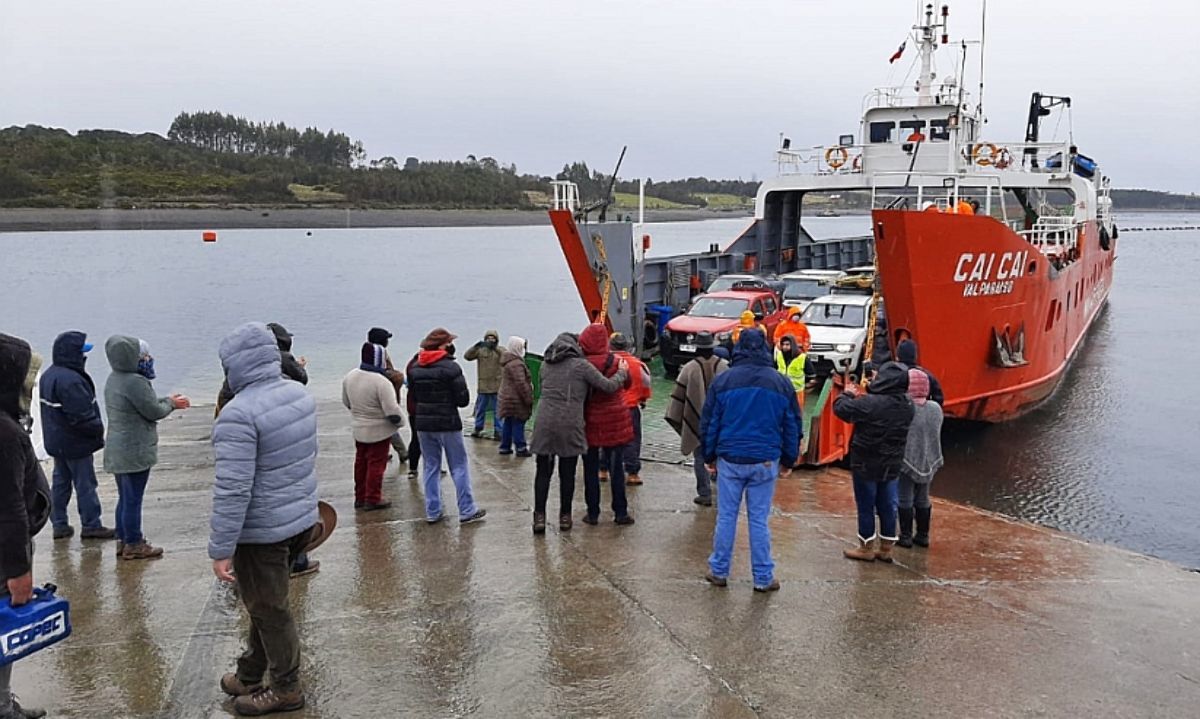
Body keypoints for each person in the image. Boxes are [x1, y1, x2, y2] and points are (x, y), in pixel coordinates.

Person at [209, 322, 319, 717]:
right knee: (263, 603)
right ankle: (249, 673)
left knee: (270, 609)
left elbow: (233, 490)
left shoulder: (238, 415)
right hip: (298, 520)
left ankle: (286, 688)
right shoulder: (298, 394)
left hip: (262, 533)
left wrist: (221, 549)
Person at [700, 328, 801, 593]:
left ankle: (719, 570)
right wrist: (789, 460)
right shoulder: (781, 383)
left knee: (727, 517)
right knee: (758, 519)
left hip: (730, 459)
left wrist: (709, 455)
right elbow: (792, 424)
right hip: (765, 459)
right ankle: (763, 577)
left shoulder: (724, 381)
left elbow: (710, 422)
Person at [529, 332, 627, 534]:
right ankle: (565, 516)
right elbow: (607, 387)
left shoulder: (545, 365)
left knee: (543, 472)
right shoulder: (581, 366)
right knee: (567, 473)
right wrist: (622, 373)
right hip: (569, 424)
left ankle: (539, 516)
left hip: (544, 423)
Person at [0, 333, 51, 719]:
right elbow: (9, 509)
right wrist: (19, 572)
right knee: (3, 632)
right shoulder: (5, 434)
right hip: (5, 555)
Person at [103, 337, 189, 560]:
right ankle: (134, 543)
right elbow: (153, 410)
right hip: (134, 450)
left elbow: (143, 402)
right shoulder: (135, 382)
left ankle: (123, 539)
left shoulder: (115, 378)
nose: (148, 360)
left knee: (125, 496)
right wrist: (172, 404)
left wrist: (165, 399)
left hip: (117, 449)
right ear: (132, 358)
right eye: (144, 357)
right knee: (133, 498)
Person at [832, 361, 915, 563]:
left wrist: (847, 393)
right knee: (888, 504)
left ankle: (866, 546)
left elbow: (841, 409)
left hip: (866, 461)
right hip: (892, 462)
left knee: (866, 505)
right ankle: (886, 547)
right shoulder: (907, 405)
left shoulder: (871, 404)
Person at [39, 331, 113, 541]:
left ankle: (59, 524)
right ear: (73, 354)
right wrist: (98, 429)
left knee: (60, 483)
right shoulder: (70, 381)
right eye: (81, 351)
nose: (84, 356)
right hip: (75, 444)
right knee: (85, 484)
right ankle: (91, 525)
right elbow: (82, 417)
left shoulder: (48, 375)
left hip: (56, 442)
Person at [408, 328, 486, 525]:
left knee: (430, 466)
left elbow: (413, 397)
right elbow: (463, 400)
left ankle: (432, 510)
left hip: (424, 424)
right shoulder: (451, 368)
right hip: (448, 422)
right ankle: (467, 509)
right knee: (458, 465)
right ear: (443, 346)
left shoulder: (415, 368)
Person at [579, 323, 636, 526]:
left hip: (591, 420)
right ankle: (620, 512)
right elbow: (628, 384)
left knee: (590, 468)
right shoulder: (616, 361)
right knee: (617, 468)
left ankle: (592, 513)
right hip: (616, 419)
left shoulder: (582, 363)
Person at [664, 331, 728, 506]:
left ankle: (705, 494)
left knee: (699, 457)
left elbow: (678, 400)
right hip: (722, 423)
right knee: (721, 457)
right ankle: (723, 492)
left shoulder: (689, 368)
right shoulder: (724, 367)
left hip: (698, 422)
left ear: (696, 348)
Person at [341, 342, 403, 511]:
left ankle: (359, 497)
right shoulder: (381, 382)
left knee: (361, 462)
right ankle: (373, 498)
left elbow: (346, 402)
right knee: (376, 464)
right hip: (379, 430)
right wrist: (401, 423)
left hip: (359, 427)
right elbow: (392, 411)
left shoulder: (350, 376)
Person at [898, 368, 944, 548]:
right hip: (928, 457)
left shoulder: (905, 408)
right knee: (923, 497)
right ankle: (923, 535)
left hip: (906, 460)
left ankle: (906, 536)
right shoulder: (935, 409)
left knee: (905, 497)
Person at [607, 333, 651, 485]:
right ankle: (632, 473)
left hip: (609, 407)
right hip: (630, 408)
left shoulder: (606, 362)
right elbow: (646, 383)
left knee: (605, 438)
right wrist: (643, 398)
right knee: (632, 440)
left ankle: (602, 469)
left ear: (610, 345)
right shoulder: (637, 364)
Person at [367, 327, 408, 466]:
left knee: (379, 427)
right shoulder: (380, 354)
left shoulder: (370, 352)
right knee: (388, 426)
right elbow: (386, 373)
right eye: (387, 339)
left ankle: (386, 453)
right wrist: (400, 378)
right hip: (383, 396)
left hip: (373, 397)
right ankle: (402, 453)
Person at [497, 336, 533, 457]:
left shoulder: (508, 361)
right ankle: (521, 447)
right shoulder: (517, 364)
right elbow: (521, 384)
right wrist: (528, 398)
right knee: (518, 422)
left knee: (508, 422)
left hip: (506, 397)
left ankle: (505, 446)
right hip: (515, 399)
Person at [464, 329, 502, 439]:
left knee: (497, 411)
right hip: (483, 387)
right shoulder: (480, 351)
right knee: (480, 410)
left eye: (493, 338)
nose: (490, 340)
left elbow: (506, 355)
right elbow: (467, 356)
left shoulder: (500, 351)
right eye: (488, 339)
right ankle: (478, 428)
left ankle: (498, 431)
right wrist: (476, 346)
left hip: (496, 387)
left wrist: (495, 348)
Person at [774, 332, 816, 410]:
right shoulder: (779, 355)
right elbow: (775, 369)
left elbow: (811, 375)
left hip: (796, 391)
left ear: (792, 345)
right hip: (781, 390)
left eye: (787, 344)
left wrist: (806, 386)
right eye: (783, 344)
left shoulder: (802, 358)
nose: (784, 347)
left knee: (796, 413)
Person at [896, 339, 944, 406]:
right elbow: (939, 398)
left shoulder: (893, 375)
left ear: (897, 357)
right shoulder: (926, 375)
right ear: (915, 356)